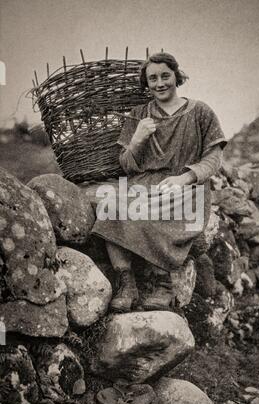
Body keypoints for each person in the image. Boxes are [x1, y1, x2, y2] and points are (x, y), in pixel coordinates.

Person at [91, 52, 227, 312]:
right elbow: (127, 164)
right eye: (152, 78)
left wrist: (185, 177)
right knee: (110, 205)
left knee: (157, 212)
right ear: (146, 84)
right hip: (143, 184)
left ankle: (160, 283)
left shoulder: (200, 112)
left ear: (177, 76)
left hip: (186, 187)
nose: (160, 83)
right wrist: (137, 140)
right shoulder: (139, 115)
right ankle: (126, 282)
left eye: (165, 75)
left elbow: (214, 160)